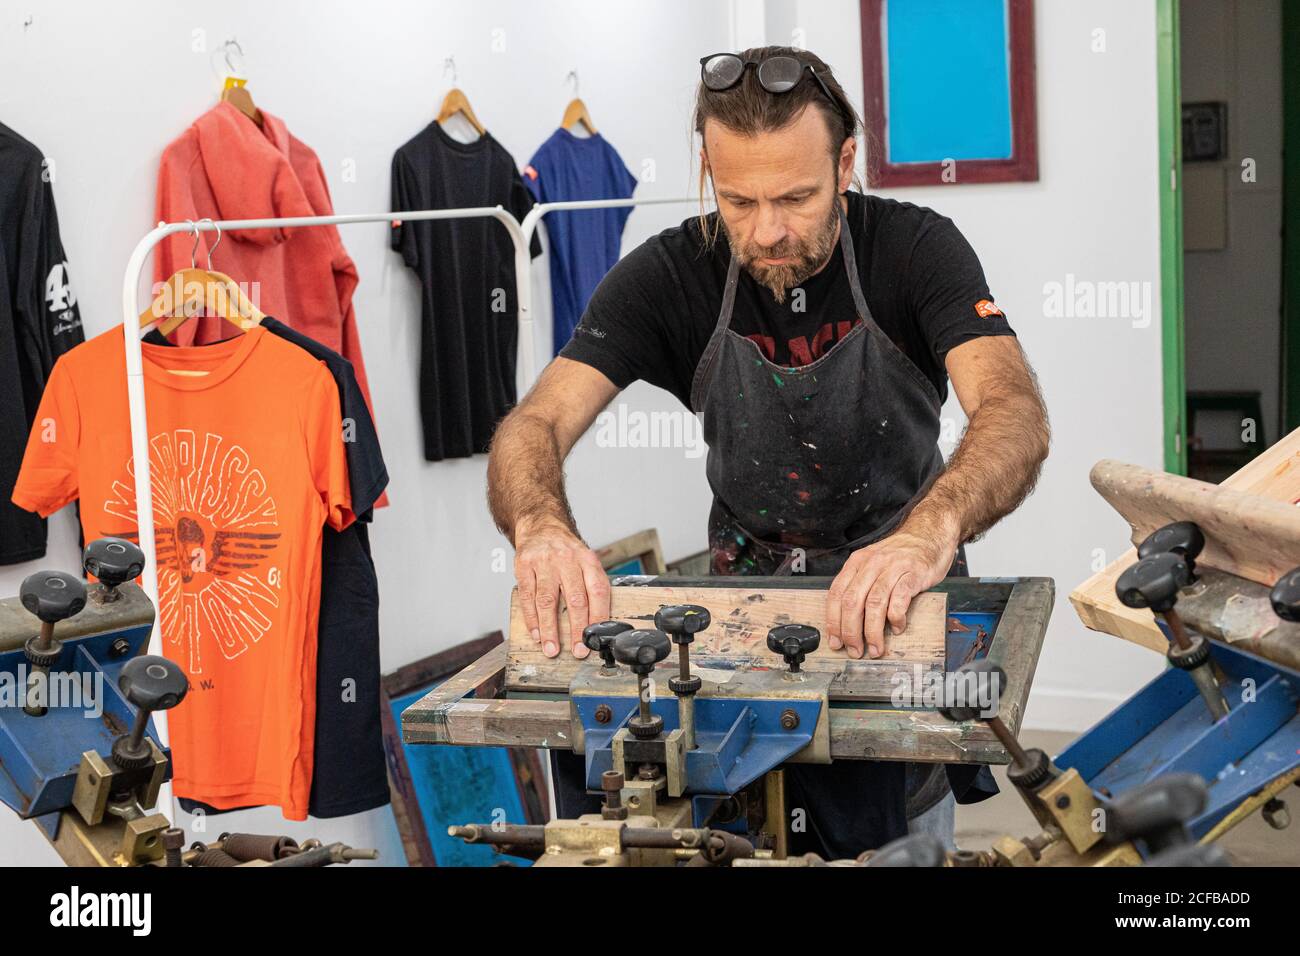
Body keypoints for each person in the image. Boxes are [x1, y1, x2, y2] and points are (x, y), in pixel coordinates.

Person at [487, 46, 1050, 857]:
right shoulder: (673, 272)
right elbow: (532, 424)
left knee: (900, 835)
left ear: (846, 162)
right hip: (745, 621)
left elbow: (1012, 411)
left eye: (796, 196)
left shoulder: (917, 252)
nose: (767, 230)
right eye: (738, 199)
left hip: (900, 603)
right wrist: (539, 525)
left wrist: (930, 533)